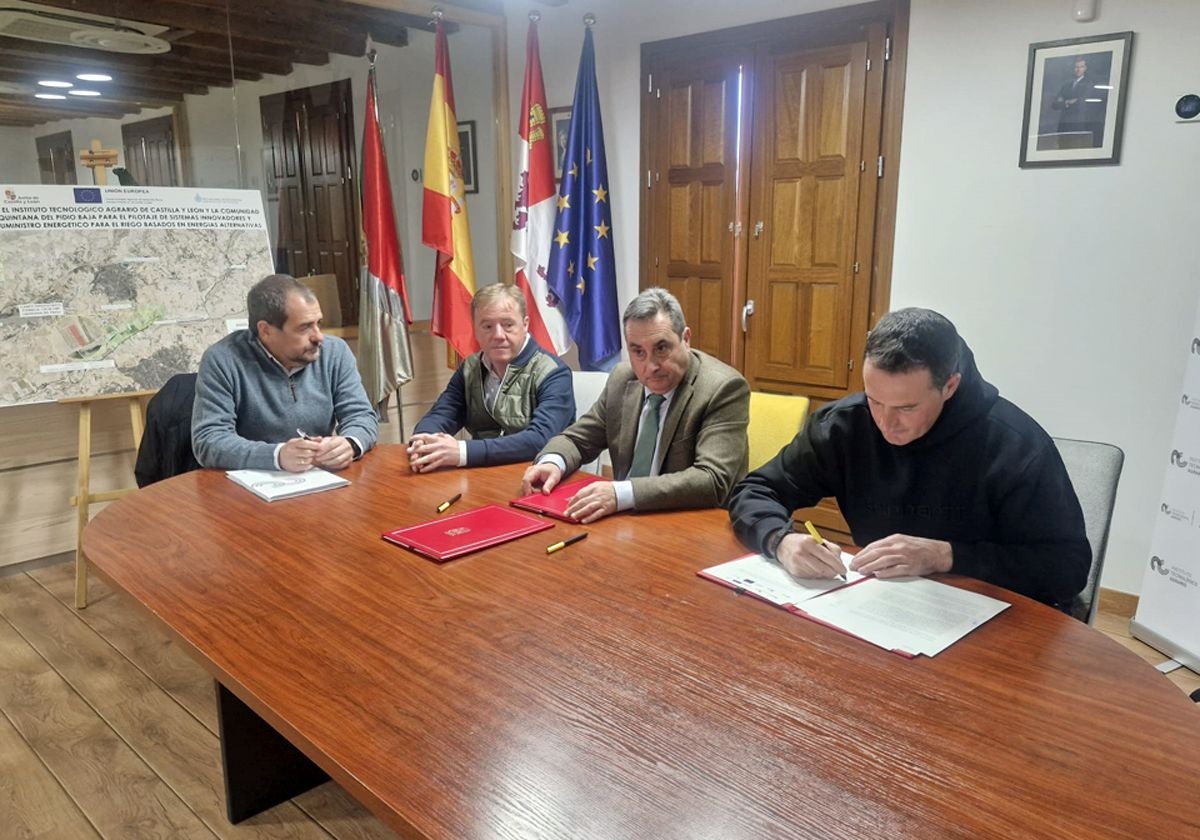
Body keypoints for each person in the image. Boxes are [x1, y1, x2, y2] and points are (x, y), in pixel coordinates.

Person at [727, 307, 1090, 610]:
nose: (886, 423)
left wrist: (947, 556)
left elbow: (1066, 568)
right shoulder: (844, 426)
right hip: (880, 608)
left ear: (949, 386)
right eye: (874, 400)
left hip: (987, 617)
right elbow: (755, 490)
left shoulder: (1014, 445)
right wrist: (780, 540)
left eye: (906, 407)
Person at [521, 287, 749, 523]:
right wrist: (552, 462)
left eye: (661, 348)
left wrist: (621, 493)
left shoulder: (722, 388)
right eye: (638, 351)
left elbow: (713, 480)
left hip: (691, 525)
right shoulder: (624, 378)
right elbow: (577, 440)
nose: (650, 366)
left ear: (686, 339)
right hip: (623, 519)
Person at [192, 274, 378, 472]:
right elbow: (209, 440)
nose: (319, 337)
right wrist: (277, 455)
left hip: (318, 480)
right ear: (266, 331)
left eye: (319, 323)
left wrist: (350, 443)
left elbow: (361, 415)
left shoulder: (335, 352)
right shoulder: (223, 360)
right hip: (251, 488)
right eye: (305, 327)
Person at [408, 283, 574, 471]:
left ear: (525, 324)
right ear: (475, 330)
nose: (498, 335)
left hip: (537, 475)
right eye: (487, 326)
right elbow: (442, 414)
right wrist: (424, 441)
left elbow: (540, 439)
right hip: (482, 474)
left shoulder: (553, 372)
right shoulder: (470, 368)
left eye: (508, 325)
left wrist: (462, 452)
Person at [1051, 57, 1104, 145]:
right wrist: (1067, 102)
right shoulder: (1066, 85)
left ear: (1085, 68)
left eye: (1081, 67)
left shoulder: (1089, 84)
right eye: (1076, 67)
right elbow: (1055, 104)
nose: (1078, 69)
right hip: (1064, 125)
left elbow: (1080, 102)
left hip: (1080, 124)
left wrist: (1064, 102)